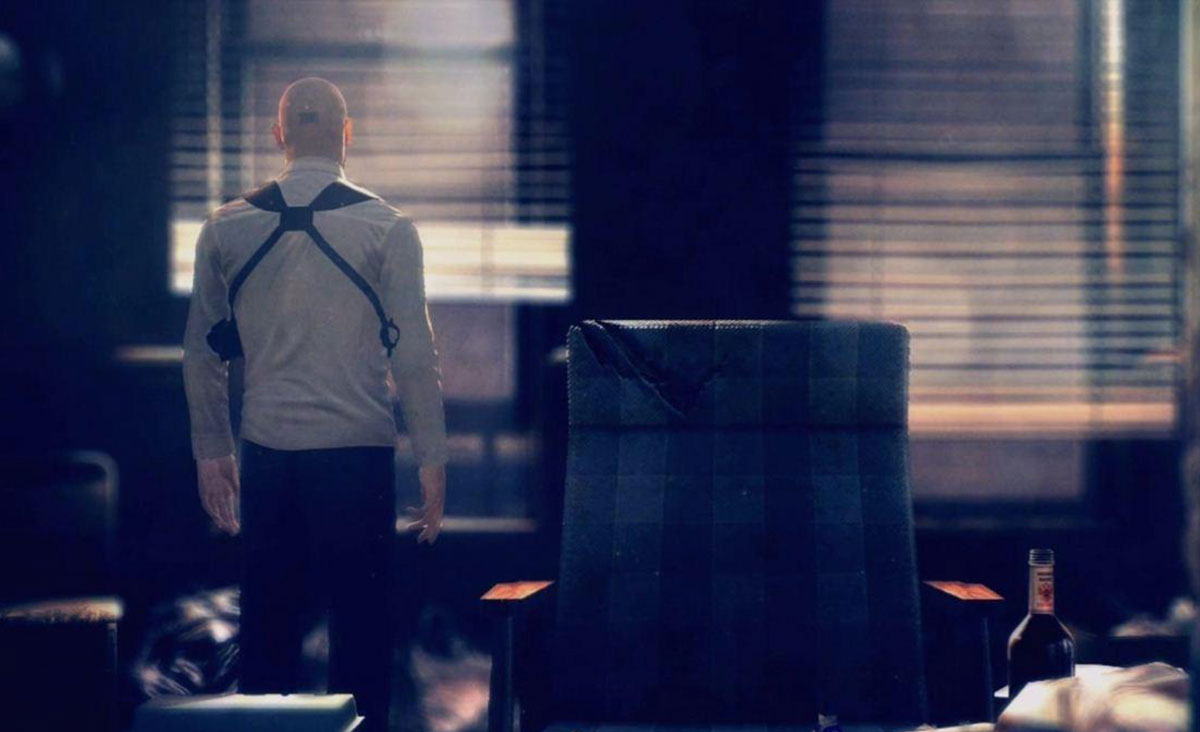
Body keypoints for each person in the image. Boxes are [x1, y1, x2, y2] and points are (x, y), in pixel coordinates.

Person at [182, 77, 448, 732]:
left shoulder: (225, 228)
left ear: (280, 135)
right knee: (362, 642)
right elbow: (415, 357)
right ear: (346, 134)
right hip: (358, 458)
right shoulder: (389, 229)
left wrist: (213, 451)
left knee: (267, 643)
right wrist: (433, 459)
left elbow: (202, 352)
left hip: (268, 459)